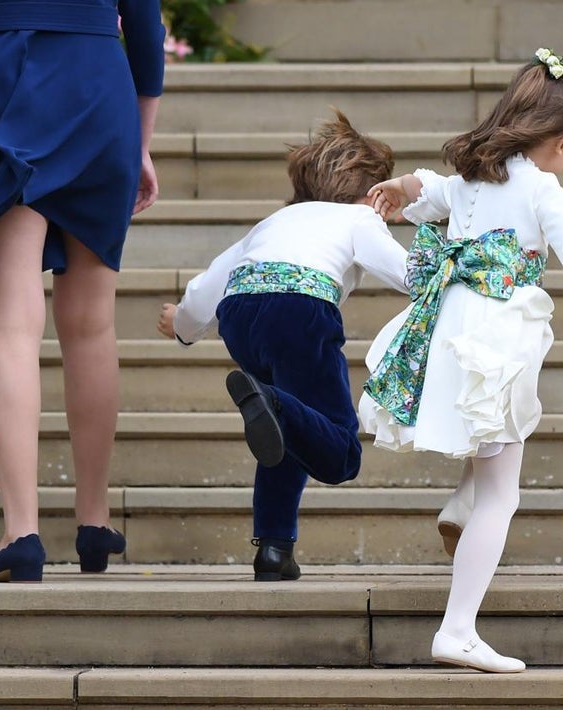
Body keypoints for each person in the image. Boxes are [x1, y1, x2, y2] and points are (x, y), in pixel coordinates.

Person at [358, 49, 563, 673]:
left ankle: (460, 505)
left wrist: (392, 189)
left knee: (486, 447)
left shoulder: (470, 179)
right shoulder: (542, 189)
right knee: (503, 494)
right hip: (493, 341)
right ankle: (457, 629)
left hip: (448, 330)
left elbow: (421, 189)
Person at [0, 0, 166, 582]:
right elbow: (145, 20)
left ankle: (21, 531)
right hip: (101, 85)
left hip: (6, 75)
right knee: (91, 323)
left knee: (10, 323)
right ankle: (94, 520)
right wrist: (140, 141)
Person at [157, 111, 410, 581]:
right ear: (374, 194)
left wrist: (183, 328)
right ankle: (271, 401)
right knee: (340, 454)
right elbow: (408, 274)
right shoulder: (360, 218)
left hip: (239, 315)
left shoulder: (274, 221)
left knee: (286, 432)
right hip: (301, 312)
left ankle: (274, 547)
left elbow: (209, 285)